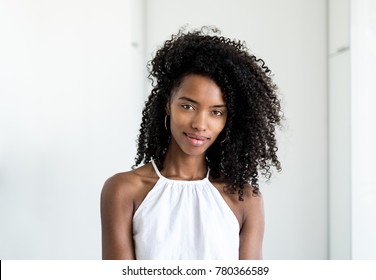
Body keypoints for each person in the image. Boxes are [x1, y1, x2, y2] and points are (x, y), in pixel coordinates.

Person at [100, 27, 282, 260]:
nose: (200, 124)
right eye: (188, 106)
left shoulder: (244, 198)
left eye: (216, 112)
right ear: (168, 104)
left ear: (228, 120)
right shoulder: (123, 190)